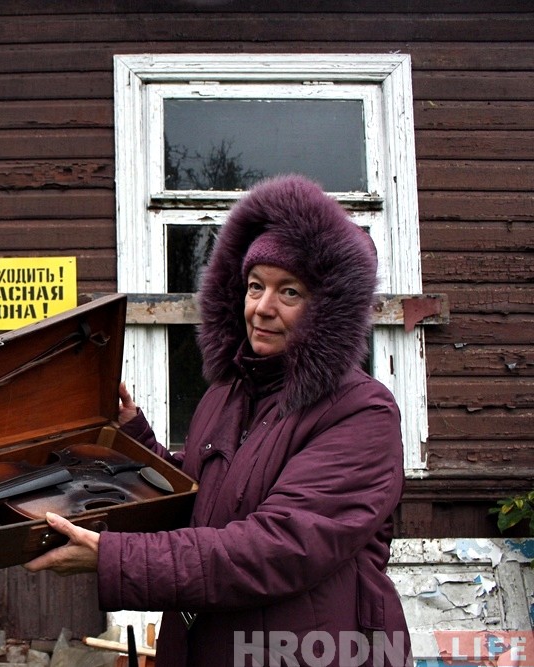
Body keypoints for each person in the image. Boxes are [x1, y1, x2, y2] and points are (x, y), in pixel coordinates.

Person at [25, 175, 412, 667]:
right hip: (202, 644)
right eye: (255, 287)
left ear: (328, 311)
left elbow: (279, 548)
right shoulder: (225, 396)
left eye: (289, 292)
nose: (262, 309)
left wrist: (115, 558)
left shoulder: (362, 412)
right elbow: (204, 500)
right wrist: (130, 434)